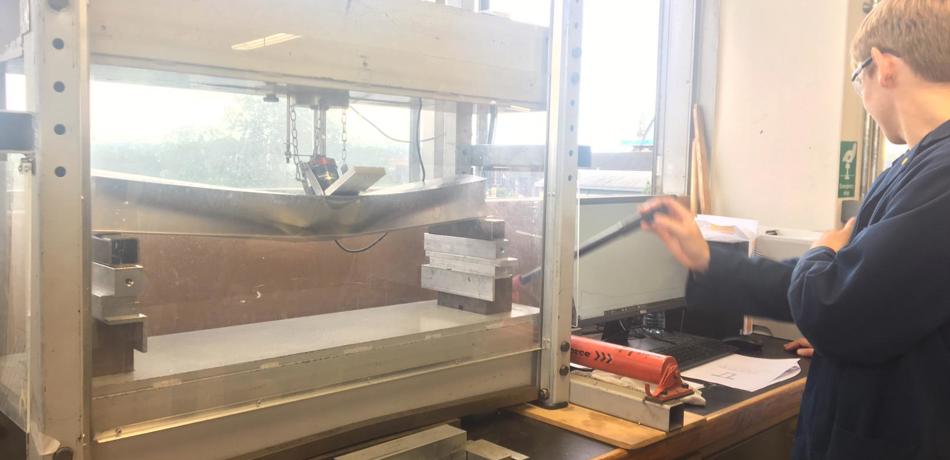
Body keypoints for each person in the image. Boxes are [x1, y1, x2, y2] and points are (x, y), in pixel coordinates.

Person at [639, 1, 950, 458]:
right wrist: (707, 258)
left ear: (882, 66)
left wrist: (824, 263)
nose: (861, 96)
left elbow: (834, 302)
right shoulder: (911, 169)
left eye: (856, 78)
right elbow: (838, 291)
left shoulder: (940, 176)